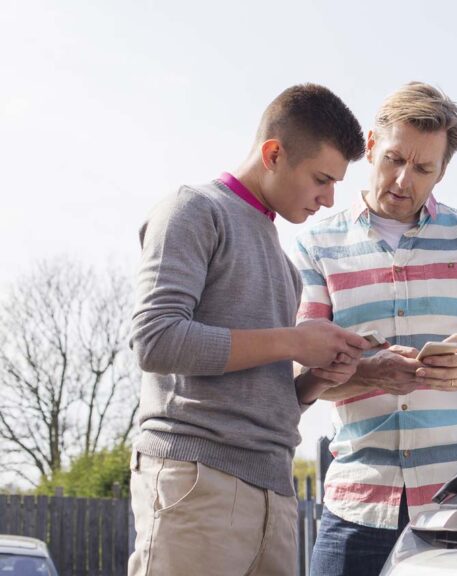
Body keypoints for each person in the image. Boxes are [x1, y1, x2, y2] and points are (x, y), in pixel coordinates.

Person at [294, 82, 457, 576]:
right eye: (393, 159)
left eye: (424, 168)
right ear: (369, 146)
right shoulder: (316, 244)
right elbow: (305, 376)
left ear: (442, 171)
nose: (404, 180)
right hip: (357, 505)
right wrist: (370, 373)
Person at [128, 84, 372, 576]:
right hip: (198, 483)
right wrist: (297, 341)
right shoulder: (193, 209)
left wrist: (316, 380)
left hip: (276, 493)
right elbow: (156, 340)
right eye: (322, 179)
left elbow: (262, 390)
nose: (328, 200)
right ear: (274, 153)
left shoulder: (284, 265)